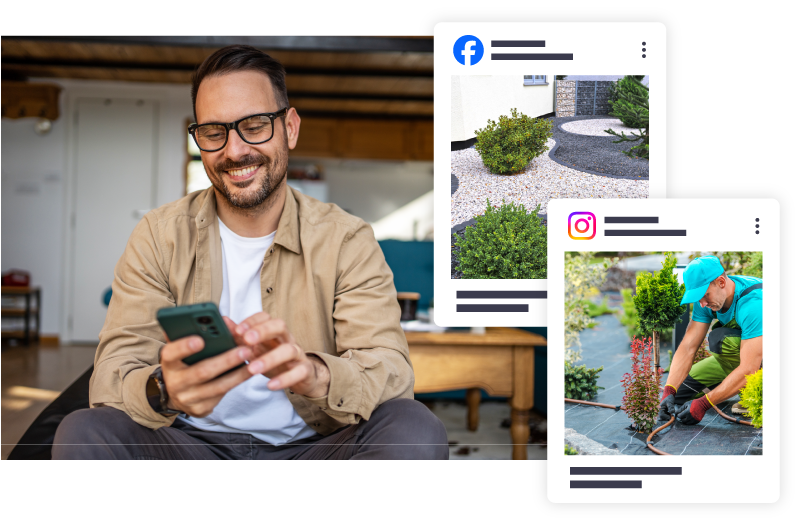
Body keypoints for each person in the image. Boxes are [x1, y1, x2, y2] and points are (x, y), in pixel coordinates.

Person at [52, 45, 448, 460]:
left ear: (290, 128)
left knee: (415, 427)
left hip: (312, 447)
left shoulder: (346, 238)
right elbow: (112, 376)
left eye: (255, 125)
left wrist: (316, 374)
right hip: (186, 445)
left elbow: (392, 372)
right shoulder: (158, 235)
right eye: (213, 132)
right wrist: (163, 390)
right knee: (85, 430)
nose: (235, 150)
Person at [658, 255, 762, 425]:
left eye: (705, 295)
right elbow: (688, 347)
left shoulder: (753, 304)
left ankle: (754, 395)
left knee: (721, 339)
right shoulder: (708, 301)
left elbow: (749, 368)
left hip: (758, 359)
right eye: (698, 297)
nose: (702, 303)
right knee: (679, 395)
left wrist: (704, 404)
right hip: (739, 357)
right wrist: (669, 391)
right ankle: (728, 384)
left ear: (721, 282)